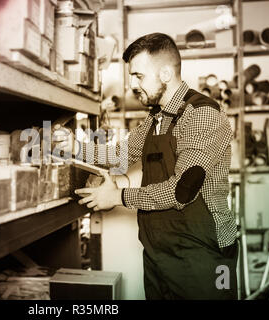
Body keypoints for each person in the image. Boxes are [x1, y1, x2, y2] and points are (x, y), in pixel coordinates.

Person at [71, 33, 239, 300]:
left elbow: (181, 191)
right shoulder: (156, 118)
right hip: (159, 254)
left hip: (205, 254)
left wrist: (117, 196)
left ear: (165, 73)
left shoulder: (202, 114)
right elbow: (120, 154)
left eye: (139, 76)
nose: (133, 85)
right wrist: (73, 148)